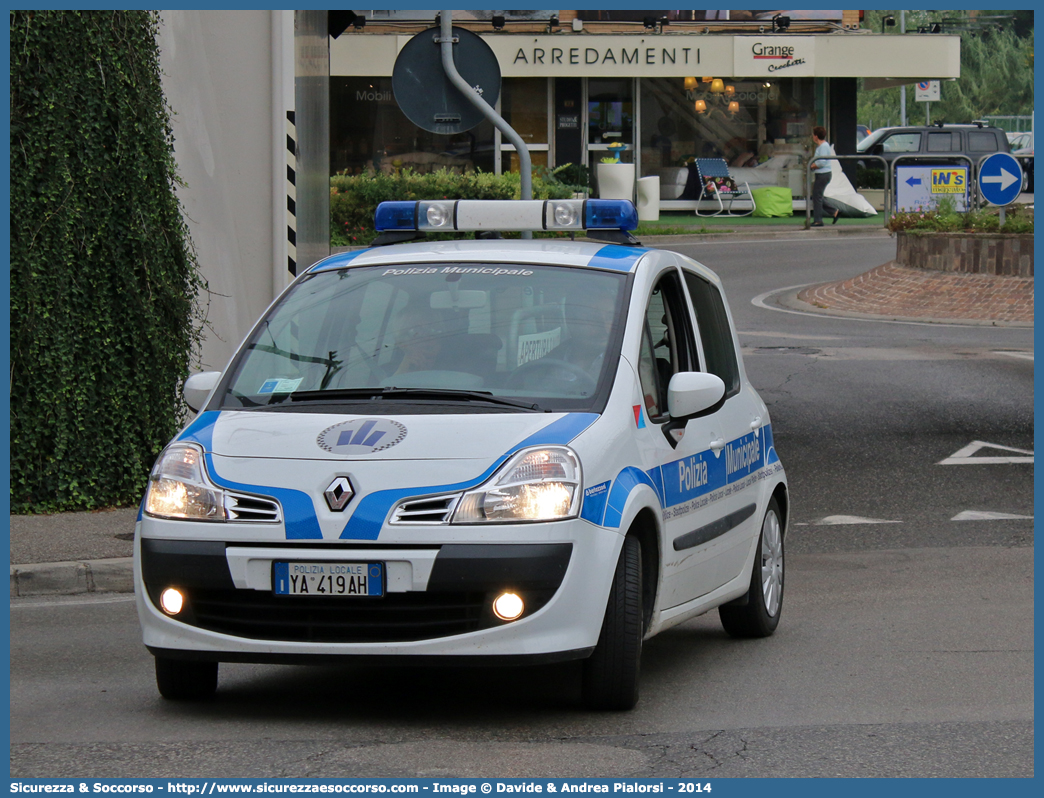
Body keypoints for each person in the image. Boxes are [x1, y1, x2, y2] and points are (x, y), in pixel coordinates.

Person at [809, 126, 835, 227]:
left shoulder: (823, 146)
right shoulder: (821, 146)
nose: (812, 136)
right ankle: (834, 211)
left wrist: (812, 165)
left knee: (817, 196)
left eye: (813, 134)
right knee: (817, 196)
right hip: (822, 174)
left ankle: (818, 220)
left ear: (816, 136)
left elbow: (822, 162)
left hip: (823, 174)